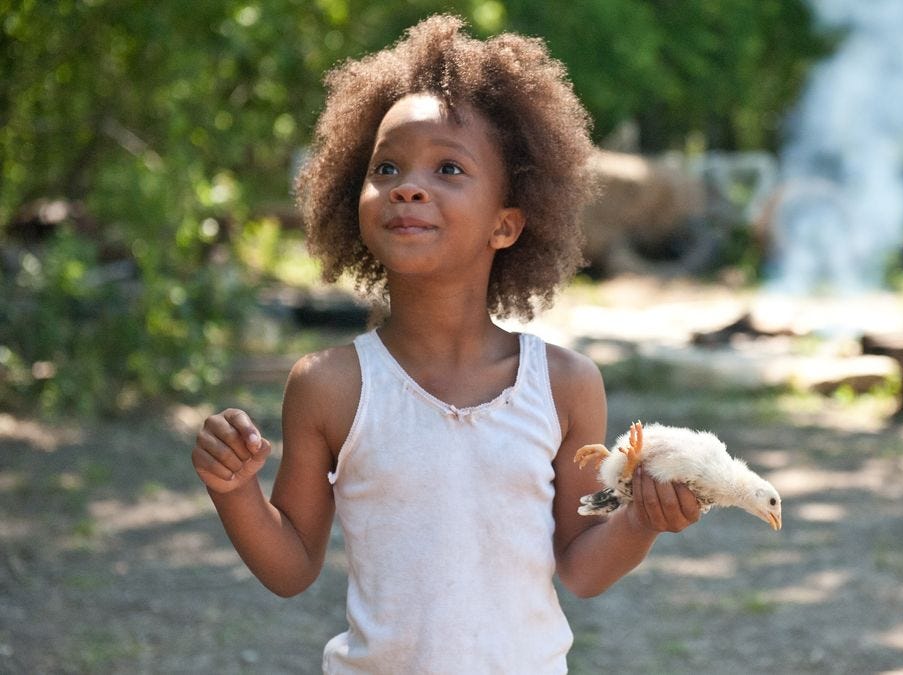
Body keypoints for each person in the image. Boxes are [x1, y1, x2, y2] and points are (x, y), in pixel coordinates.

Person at [190, 14, 702, 674]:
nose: (409, 184)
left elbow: (580, 565)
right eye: (388, 166)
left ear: (507, 224)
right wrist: (235, 491)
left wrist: (641, 521)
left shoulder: (566, 386)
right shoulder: (329, 386)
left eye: (449, 167)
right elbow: (291, 566)